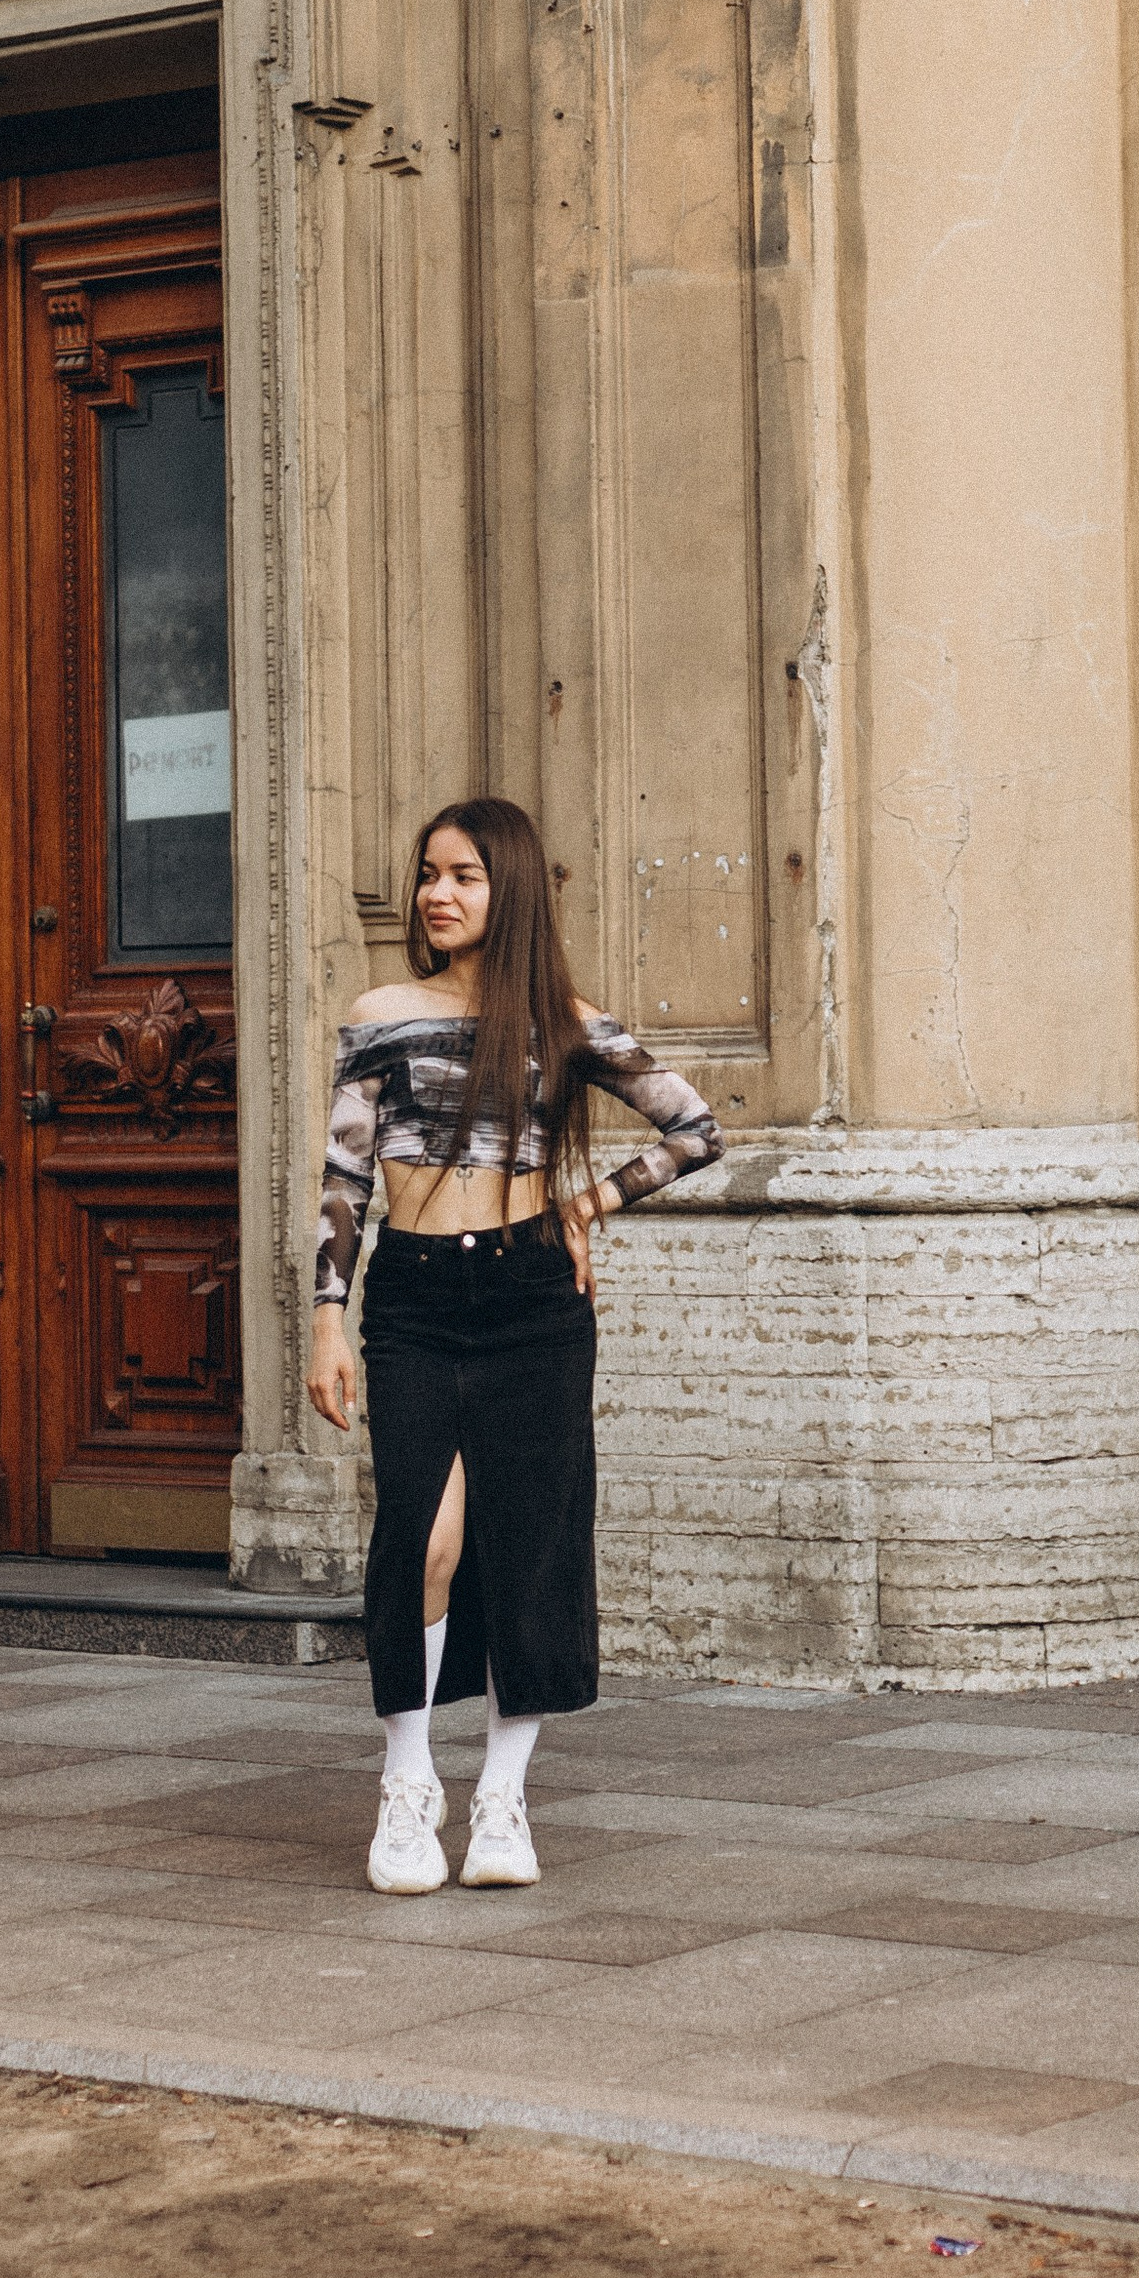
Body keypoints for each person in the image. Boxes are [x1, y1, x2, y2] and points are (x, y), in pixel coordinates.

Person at [306, 795, 725, 1894]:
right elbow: (346, 1178)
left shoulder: (566, 1024)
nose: (436, 895)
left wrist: (591, 1203)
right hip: (414, 1301)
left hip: (532, 1299)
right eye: (429, 875)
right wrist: (325, 1320)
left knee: (531, 1545)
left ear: (511, 891)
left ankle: (502, 1797)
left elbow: (695, 1130)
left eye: (464, 877)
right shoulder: (381, 1012)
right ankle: (407, 1786)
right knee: (424, 1540)